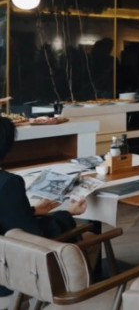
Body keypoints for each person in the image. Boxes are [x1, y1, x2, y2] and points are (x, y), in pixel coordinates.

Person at [0, 117, 90, 298]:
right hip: (10, 275)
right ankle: (73, 298)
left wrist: (32, 211)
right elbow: (36, 236)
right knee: (88, 238)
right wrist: (67, 214)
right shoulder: (9, 183)